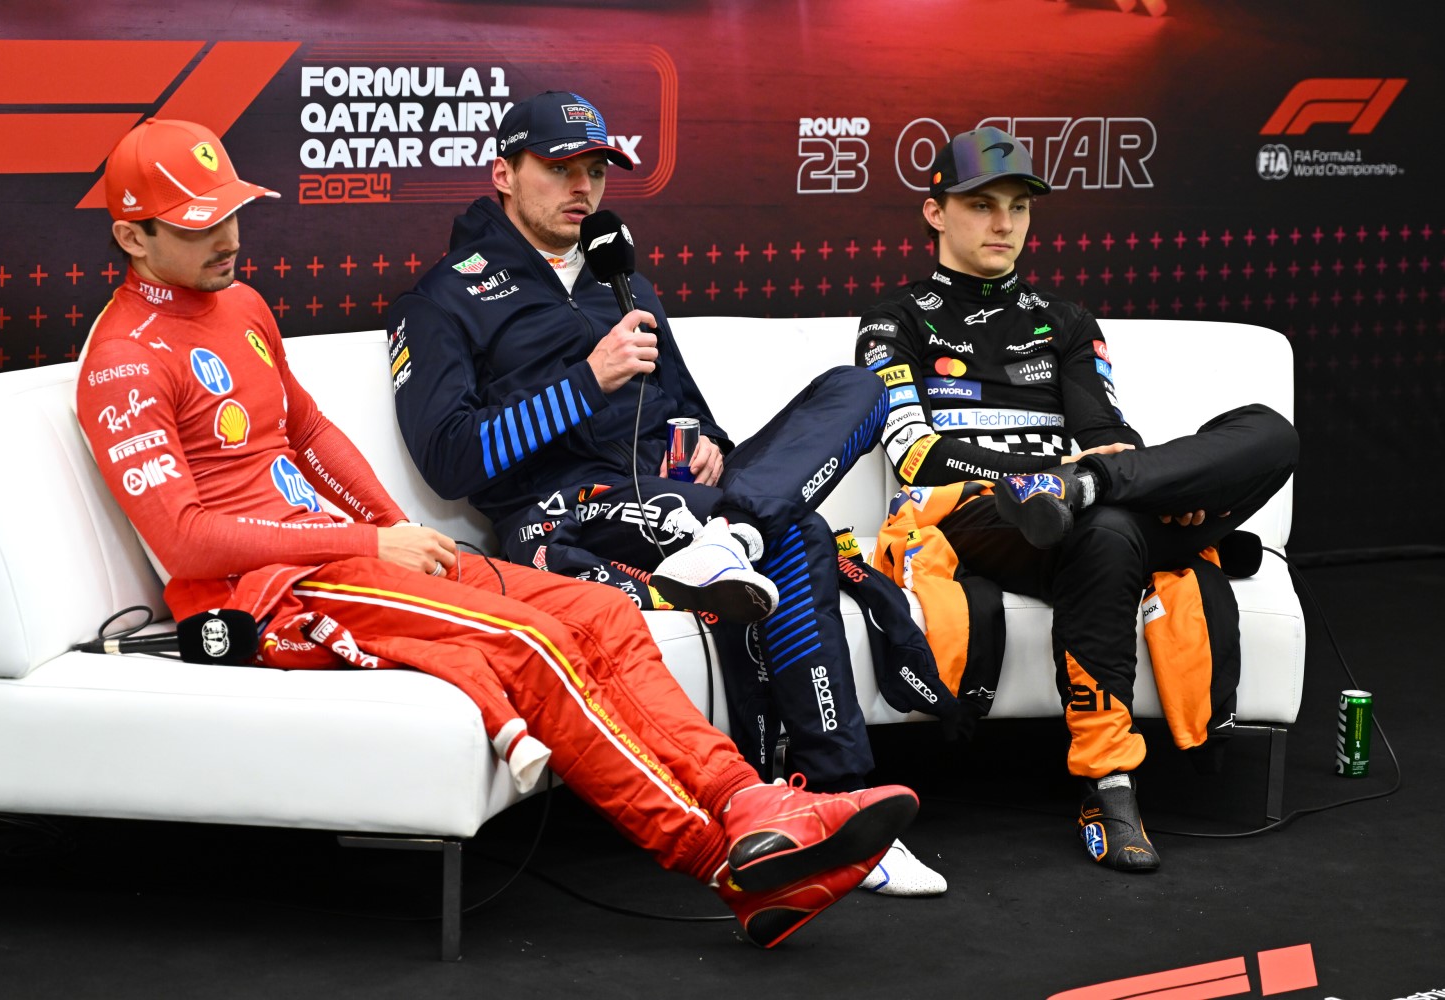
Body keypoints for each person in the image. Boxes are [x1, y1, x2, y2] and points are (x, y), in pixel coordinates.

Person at [74, 117, 922, 949]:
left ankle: (752, 802)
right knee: (540, 642)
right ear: (131, 237)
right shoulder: (122, 360)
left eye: (230, 211)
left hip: (356, 554)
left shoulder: (241, 302)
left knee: (606, 618)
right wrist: (369, 547)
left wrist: (395, 529)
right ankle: (720, 860)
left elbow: (311, 434)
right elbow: (186, 542)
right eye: (198, 224)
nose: (227, 236)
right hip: (277, 592)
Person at [389, 91, 947, 897]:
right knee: (802, 538)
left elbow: (690, 407)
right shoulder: (440, 297)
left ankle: (738, 534)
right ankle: (828, 796)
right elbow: (450, 462)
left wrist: (714, 445)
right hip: (562, 512)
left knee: (857, 391)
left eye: (593, 170)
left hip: (682, 496)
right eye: (558, 169)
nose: (581, 187)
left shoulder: (625, 281)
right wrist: (586, 382)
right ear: (503, 174)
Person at [854, 126, 1300, 872]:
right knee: (1111, 521)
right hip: (981, 517)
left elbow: (1105, 433)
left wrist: (1113, 477)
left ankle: (1110, 777)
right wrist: (1043, 481)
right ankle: (1109, 784)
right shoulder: (892, 321)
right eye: (982, 205)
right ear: (935, 213)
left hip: (1088, 509)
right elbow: (917, 454)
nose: (1005, 225)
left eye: (1019, 208)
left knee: (1267, 435)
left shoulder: (1064, 320)